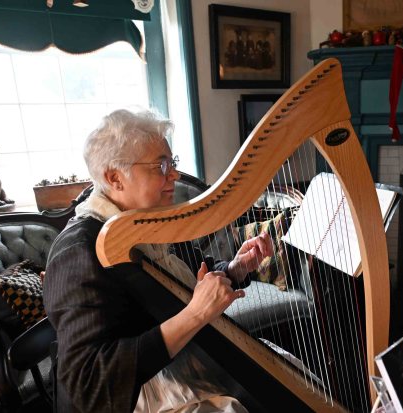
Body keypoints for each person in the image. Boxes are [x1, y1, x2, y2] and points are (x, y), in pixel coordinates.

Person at [43, 108, 272, 412]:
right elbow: (89, 383)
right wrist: (195, 315)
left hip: (185, 362)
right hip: (138, 395)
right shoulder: (77, 250)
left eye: (172, 162)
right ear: (115, 178)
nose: (174, 174)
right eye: (161, 165)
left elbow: (194, 277)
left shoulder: (150, 223)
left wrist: (235, 268)